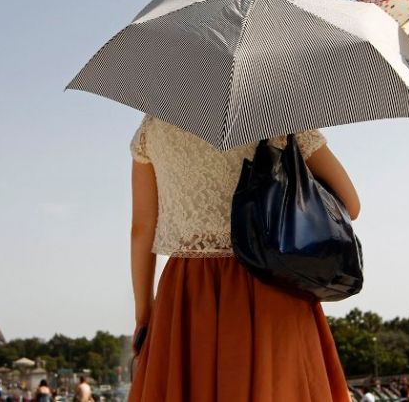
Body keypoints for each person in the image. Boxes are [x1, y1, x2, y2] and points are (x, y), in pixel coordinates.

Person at [127, 115, 360, 401]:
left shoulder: (153, 127)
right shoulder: (275, 112)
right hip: (271, 279)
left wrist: (145, 313)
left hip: (189, 290)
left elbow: (141, 229)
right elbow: (351, 204)